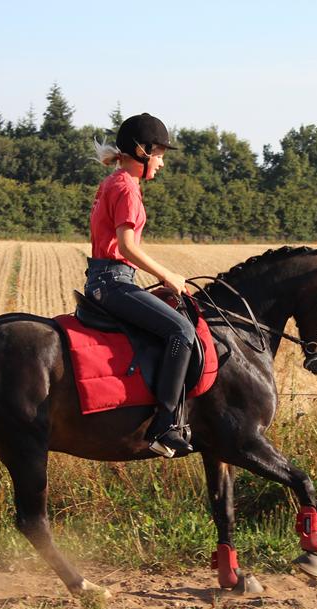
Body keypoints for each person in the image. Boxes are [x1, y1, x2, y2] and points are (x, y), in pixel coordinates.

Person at [85, 113, 196, 458]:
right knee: (181, 331)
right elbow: (128, 247)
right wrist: (168, 277)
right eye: (160, 153)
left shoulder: (113, 181)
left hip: (109, 278)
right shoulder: (126, 188)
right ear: (142, 151)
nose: (162, 162)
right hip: (113, 281)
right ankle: (164, 427)